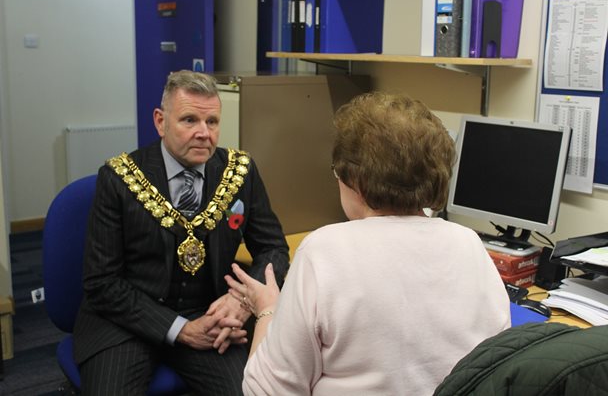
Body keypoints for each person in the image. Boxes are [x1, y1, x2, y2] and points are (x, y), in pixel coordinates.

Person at [224, 91, 511, 395]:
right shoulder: (468, 243)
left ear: (355, 181)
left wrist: (269, 310)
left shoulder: (325, 251)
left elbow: (265, 391)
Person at [73, 70, 290, 395]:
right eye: (189, 120)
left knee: (250, 390)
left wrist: (242, 300)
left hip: (210, 317)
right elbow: (101, 283)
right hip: (127, 321)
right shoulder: (118, 178)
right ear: (161, 122)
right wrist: (181, 330)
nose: (204, 133)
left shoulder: (240, 172)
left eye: (212, 122)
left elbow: (273, 249)